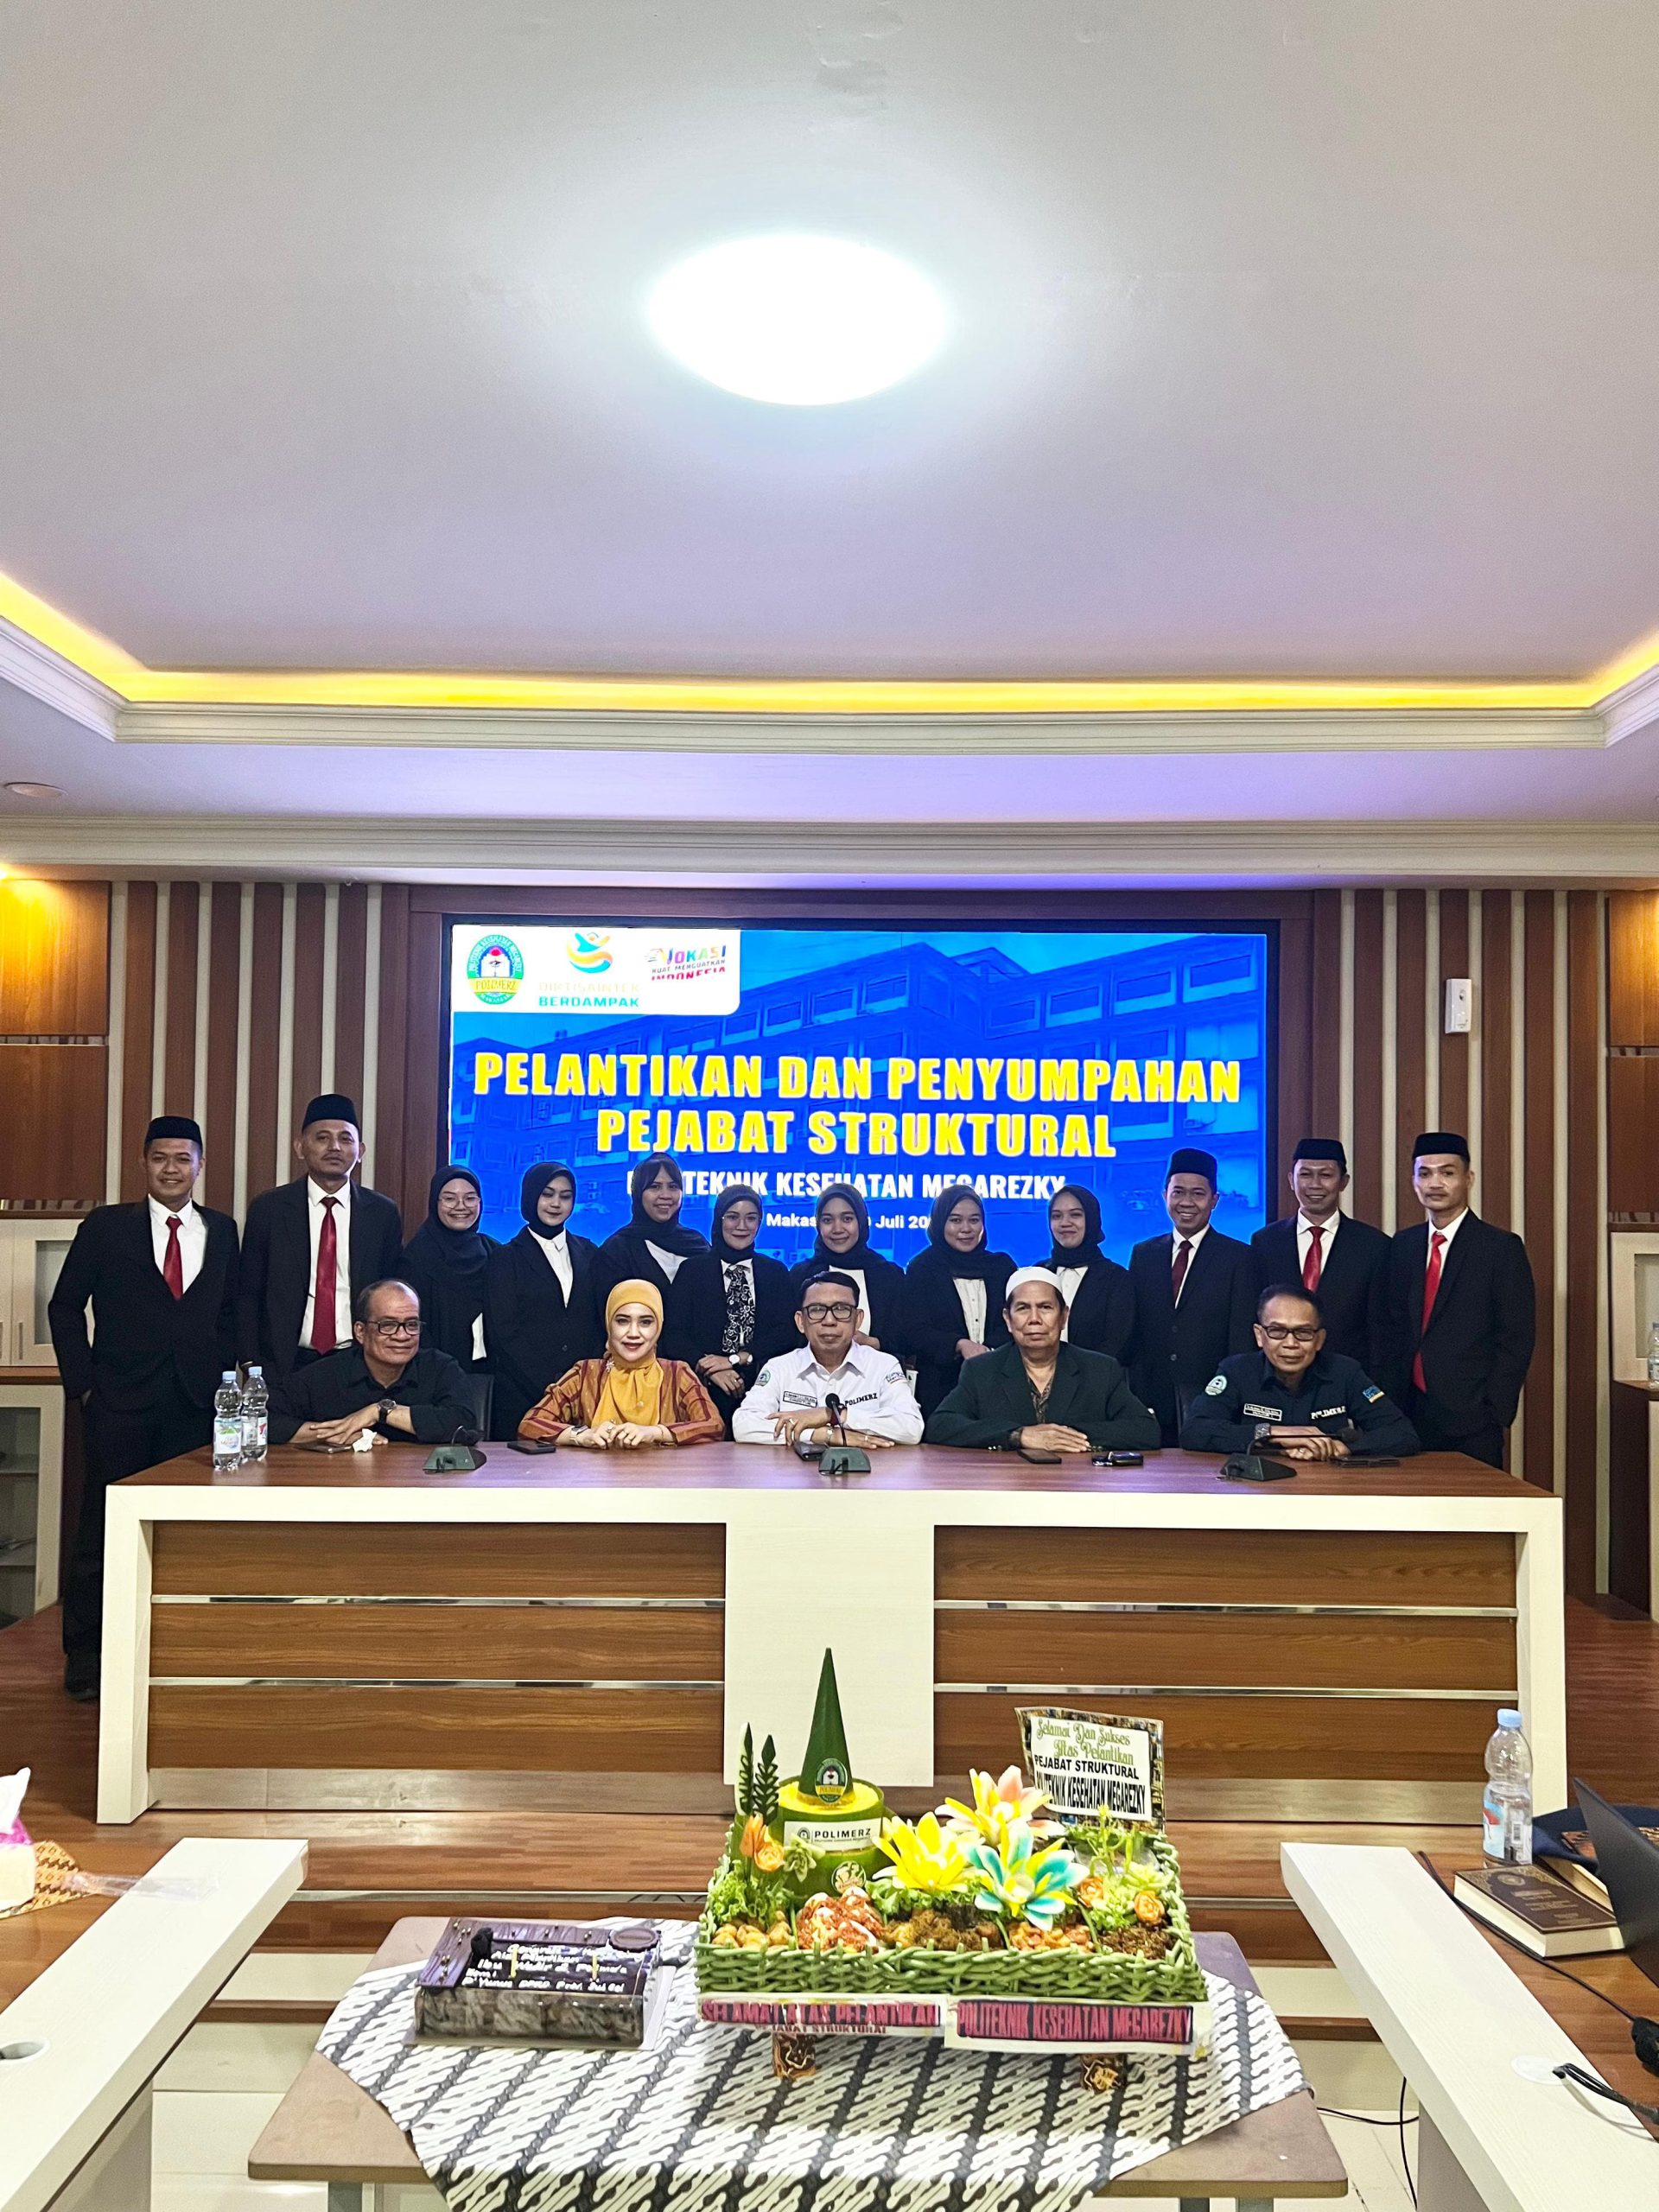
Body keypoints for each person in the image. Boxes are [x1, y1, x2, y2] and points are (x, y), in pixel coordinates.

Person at [48, 1116, 239, 1700]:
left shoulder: (223, 1229)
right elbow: (64, 1307)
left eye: (183, 1158)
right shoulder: (107, 1227)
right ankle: (87, 1657)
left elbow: (230, 1316)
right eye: (160, 1158)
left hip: (194, 1408)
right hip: (119, 1406)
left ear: (200, 1165)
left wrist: (228, 1390)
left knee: (187, 1534)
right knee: (101, 1532)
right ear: (143, 1164)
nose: (171, 1169)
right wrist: (84, 1387)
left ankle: (174, 1652)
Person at [1381, 1132, 1535, 1469]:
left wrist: (1495, 1410)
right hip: (1407, 1414)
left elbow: (1516, 1337)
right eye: (1425, 1174)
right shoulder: (1402, 1245)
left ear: (1469, 1179)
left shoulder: (1499, 1248)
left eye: (1447, 1173)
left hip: (1473, 1419)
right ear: (1414, 1182)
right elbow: (1391, 1327)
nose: (1435, 1183)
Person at [237, 1094, 403, 1381]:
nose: (335, 1147)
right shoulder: (269, 1209)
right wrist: (250, 1361)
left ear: (360, 1151)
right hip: (284, 1364)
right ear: (300, 1147)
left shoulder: (382, 1213)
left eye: (346, 1139)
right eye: (322, 1138)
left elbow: (390, 1290)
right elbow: (248, 1291)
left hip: (360, 1362)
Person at [925, 1268, 1160, 1454]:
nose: (1034, 1319)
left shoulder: (1099, 1369)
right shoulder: (981, 1369)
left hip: (1079, 1486)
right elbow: (941, 1425)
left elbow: (1145, 1430)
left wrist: (1063, 1436)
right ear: (1008, 1320)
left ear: (1064, 1316)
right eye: (1023, 1308)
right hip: (1007, 1487)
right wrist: (1018, 1436)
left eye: (1045, 1307)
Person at [1181, 1284, 1421, 1459]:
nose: (1290, 1344)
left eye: (1303, 1333)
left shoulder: (1345, 1372)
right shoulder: (1236, 1371)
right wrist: (1272, 1433)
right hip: (1257, 1491)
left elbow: (1402, 1434)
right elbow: (1194, 1431)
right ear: (1259, 1335)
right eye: (1277, 1331)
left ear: (1319, 1339)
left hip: (1329, 1491)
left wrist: (1343, 1448)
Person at [1128, 1146, 1256, 1446]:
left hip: (1213, 1398)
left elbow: (1240, 1337)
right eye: (1178, 1192)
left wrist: (1230, 1396)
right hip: (1152, 1398)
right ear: (1165, 1196)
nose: (1186, 1202)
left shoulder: (1239, 1257)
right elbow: (1136, 1329)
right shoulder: (1144, 1253)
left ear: (1214, 1200)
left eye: (1198, 1194)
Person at [269, 1279, 479, 1446]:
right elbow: (263, 1419)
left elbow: (464, 1424)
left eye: (412, 1325)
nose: (402, 1336)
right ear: (360, 1332)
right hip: (342, 1481)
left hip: (420, 1480)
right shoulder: (325, 1374)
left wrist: (382, 1411)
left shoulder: (440, 1368)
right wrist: (336, 1434)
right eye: (387, 1325)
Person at [518, 1279, 723, 1448]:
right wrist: (582, 1435)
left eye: (645, 1322)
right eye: (622, 1321)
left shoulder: (677, 1373)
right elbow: (530, 1425)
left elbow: (714, 1426)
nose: (633, 1333)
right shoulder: (585, 1373)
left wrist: (655, 1433)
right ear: (609, 1324)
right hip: (595, 1482)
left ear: (658, 1327)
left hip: (662, 1481)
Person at [734, 1269, 924, 1447]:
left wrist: (834, 1415)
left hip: (866, 1469)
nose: (829, 1321)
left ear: (858, 1319)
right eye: (817, 1310)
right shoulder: (779, 1367)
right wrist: (821, 1434)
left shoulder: (883, 1365)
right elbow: (743, 1425)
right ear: (801, 1321)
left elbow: (912, 1427)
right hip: (793, 1470)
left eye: (841, 1309)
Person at [481, 1161, 601, 1440]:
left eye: (565, 1196)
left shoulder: (589, 1252)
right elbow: (503, 1333)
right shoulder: (505, 1258)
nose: (556, 1204)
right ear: (531, 1195)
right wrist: (552, 1389)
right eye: (547, 1194)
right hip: (522, 1396)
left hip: (580, 1397)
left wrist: (578, 1385)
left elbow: (596, 1321)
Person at [663, 1184, 798, 1430]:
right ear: (719, 1220)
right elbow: (673, 1334)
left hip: (763, 1389)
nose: (742, 1226)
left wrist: (736, 1359)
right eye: (733, 1217)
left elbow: (786, 1334)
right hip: (701, 1389)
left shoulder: (775, 1272)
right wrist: (710, 1368)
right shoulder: (692, 1271)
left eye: (751, 1218)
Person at [1251, 1139, 1389, 1370]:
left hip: (1347, 1376)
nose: (1315, 1185)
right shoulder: (1265, 1241)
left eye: (1325, 1175)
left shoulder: (1374, 1245)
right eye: (1305, 1175)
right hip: (1277, 1375)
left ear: (1343, 1182)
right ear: (1291, 1180)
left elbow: (1380, 1328)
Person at [903, 1184, 1016, 1420]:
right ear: (939, 1222)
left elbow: (1015, 1320)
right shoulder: (922, 1268)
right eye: (955, 1220)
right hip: (941, 1388)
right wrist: (959, 1344)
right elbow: (914, 1331)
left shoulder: (1001, 1267)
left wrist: (989, 1352)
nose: (966, 1229)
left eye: (974, 1220)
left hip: (1000, 1383)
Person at [785, 1183, 908, 1357]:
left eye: (847, 1219)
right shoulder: (801, 1275)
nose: (837, 1229)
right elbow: (786, 1339)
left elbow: (906, 1338)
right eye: (828, 1220)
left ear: (861, 1222)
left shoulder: (889, 1276)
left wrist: (873, 1343)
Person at [399, 1165, 498, 1372]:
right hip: (434, 1372)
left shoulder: (494, 1252)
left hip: (491, 1373)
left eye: (470, 1198)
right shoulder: (416, 1258)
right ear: (435, 1203)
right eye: (450, 1199)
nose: (461, 1206)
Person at [594, 1154, 709, 1302]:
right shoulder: (616, 1251)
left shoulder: (698, 1244)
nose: (666, 1195)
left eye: (673, 1187)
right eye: (655, 1187)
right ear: (638, 1193)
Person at [1041, 1182, 1134, 1360]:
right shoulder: (1039, 1274)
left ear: (1092, 1220)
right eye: (1056, 1216)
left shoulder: (1116, 1279)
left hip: (1096, 1375)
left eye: (1075, 1215)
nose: (1064, 1223)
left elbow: (1118, 1343)